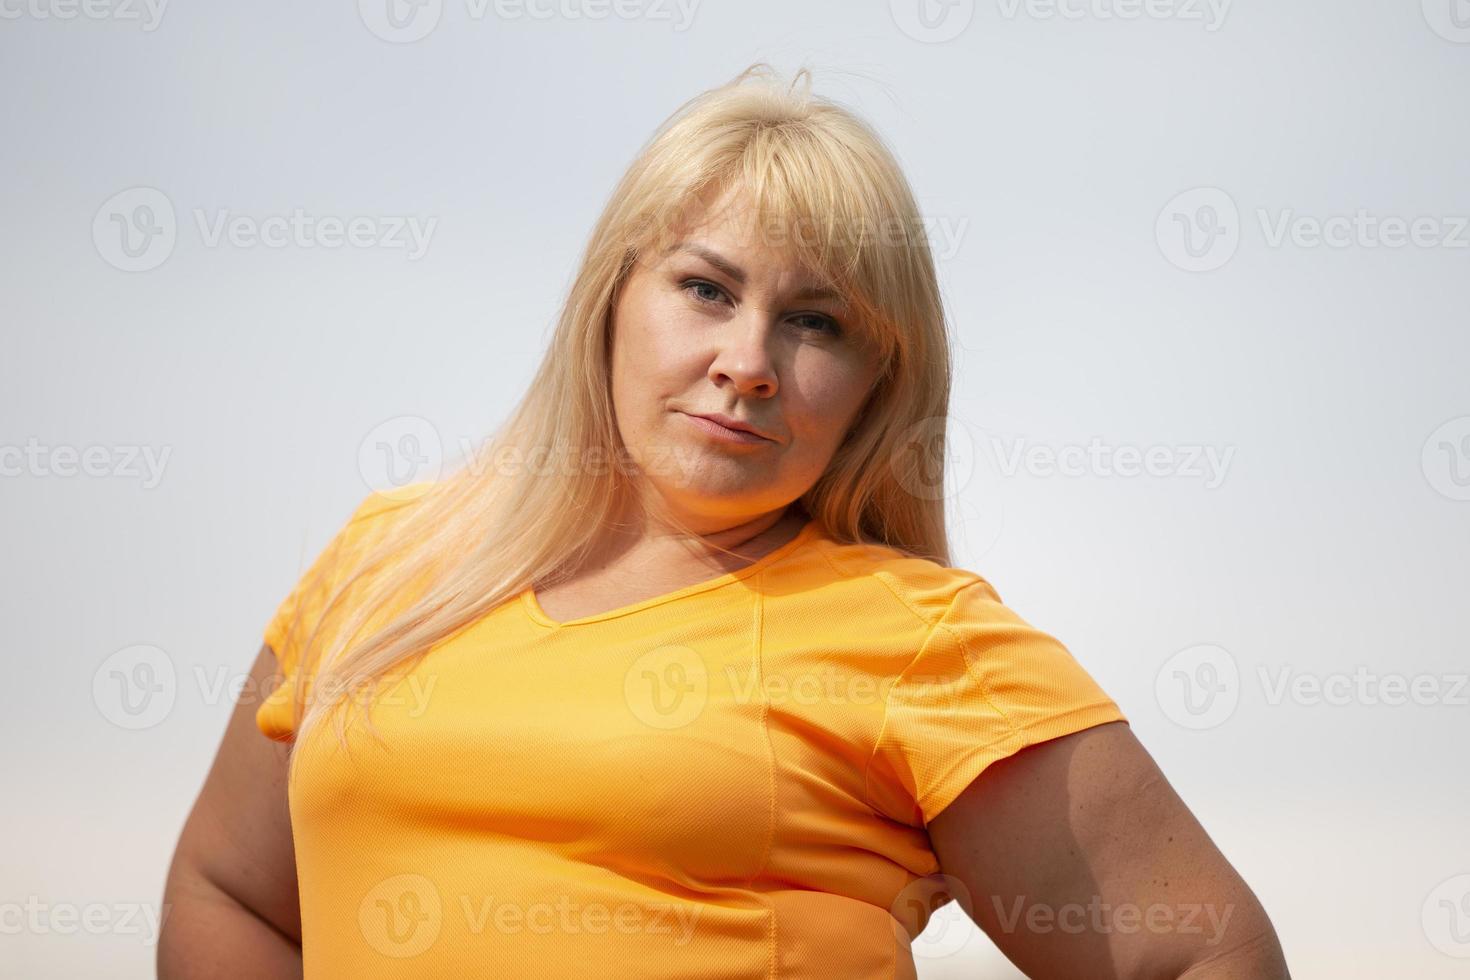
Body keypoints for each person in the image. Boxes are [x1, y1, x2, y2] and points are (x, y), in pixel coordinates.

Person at [160, 63, 1289, 978]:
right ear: (614, 292)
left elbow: (1206, 951)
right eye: (706, 288)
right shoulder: (388, 553)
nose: (747, 363)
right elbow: (231, 891)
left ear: (878, 384)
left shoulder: (919, 636)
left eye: (816, 322)